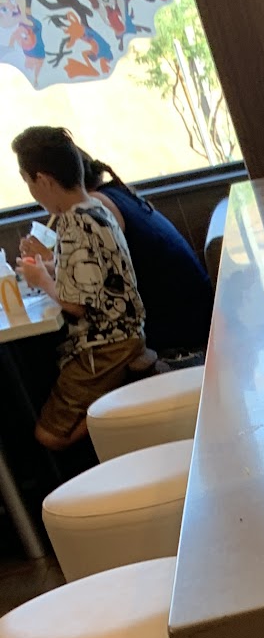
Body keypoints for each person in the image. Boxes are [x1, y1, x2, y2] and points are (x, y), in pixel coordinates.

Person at [12, 124, 149, 451]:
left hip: (107, 344)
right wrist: (48, 268)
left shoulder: (74, 224)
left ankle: (116, 406)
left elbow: (77, 305)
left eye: (28, 181)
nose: (32, 192)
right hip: (127, 331)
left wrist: (42, 280)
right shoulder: (96, 208)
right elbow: (93, 274)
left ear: (43, 180)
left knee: (48, 436)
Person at [76, 148, 213, 361]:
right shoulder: (115, 192)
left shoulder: (96, 206)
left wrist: (45, 279)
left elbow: (92, 293)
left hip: (182, 323)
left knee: (91, 346)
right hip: (197, 307)